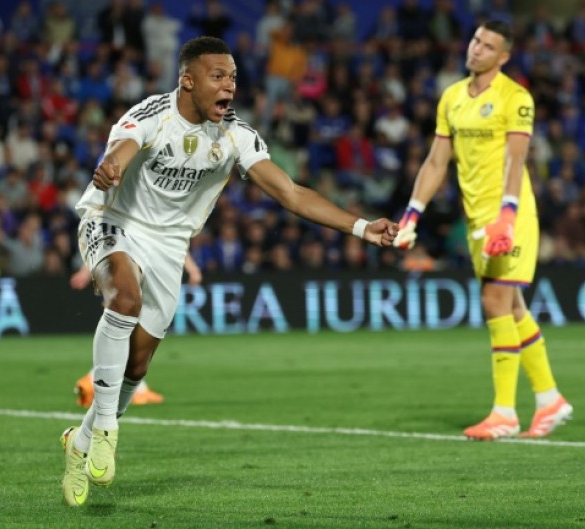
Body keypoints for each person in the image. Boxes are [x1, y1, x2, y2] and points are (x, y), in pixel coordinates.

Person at [59, 36, 398, 507]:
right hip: (112, 221)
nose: (229, 87)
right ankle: (107, 431)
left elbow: (292, 193)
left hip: (170, 245)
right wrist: (110, 168)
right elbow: (121, 148)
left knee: (138, 365)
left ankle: (79, 442)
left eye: (233, 77)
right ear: (188, 80)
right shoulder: (152, 114)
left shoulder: (236, 137)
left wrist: (361, 227)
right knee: (125, 299)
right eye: (218, 77)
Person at [393, 21, 572, 441]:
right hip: (475, 217)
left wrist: (507, 214)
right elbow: (437, 162)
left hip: (509, 214)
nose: (477, 49)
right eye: (475, 40)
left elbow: (516, 159)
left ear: (503, 56)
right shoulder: (452, 97)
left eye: (488, 46)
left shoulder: (516, 97)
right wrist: (412, 215)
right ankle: (549, 399)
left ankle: (504, 412)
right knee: (512, 309)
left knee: (494, 301)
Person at [67, 257, 203, 408]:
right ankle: (98, 382)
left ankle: (99, 381)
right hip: (127, 268)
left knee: (129, 331)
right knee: (125, 327)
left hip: (140, 269)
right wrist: (86, 270)